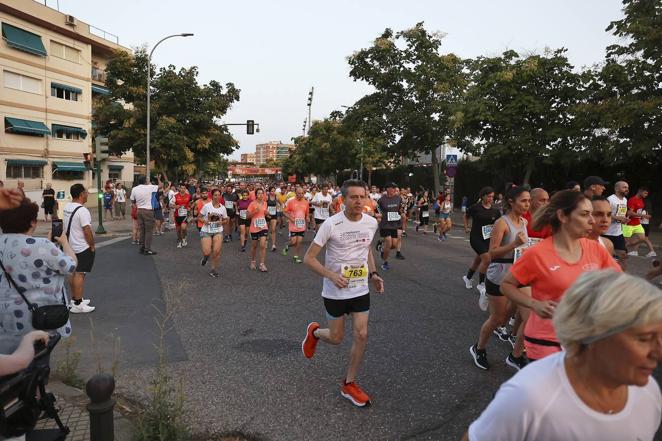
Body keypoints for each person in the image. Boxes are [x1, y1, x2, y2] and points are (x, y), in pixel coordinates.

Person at [463, 270, 662, 441]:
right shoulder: (530, 398)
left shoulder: (649, 393)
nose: (659, 352)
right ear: (593, 334)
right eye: (644, 339)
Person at [499, 190, 621, 363]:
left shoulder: (595, 249)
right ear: (563, 216)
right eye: (585, 214)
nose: (592, 220)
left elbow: (620, 283)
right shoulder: (537, 254)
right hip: (546, 339)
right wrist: (534, 304)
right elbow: (506, 285)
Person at [301, 180, 384, 407]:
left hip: (359, 288)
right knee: (336, 338)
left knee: (361, 334)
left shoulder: (370, 223)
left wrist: (374, 274)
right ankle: (315, 333)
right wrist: (330, 275)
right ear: (343, 200)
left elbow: (366, 248)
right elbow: (309, 258)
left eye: (362, 197)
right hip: (335, 291)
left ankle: (349, 383)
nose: (358, 201)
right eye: (353, 197)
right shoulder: (331, 224)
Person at [0, 198, 77, 353]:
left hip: (6, 317)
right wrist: (64, 242)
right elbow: (70, 266)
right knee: (36, 362)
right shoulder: (42, 246)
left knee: (10, 362)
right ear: (33, 222)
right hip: (38, 318)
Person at [470, 187, 529, 371]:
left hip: (520, 275)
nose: (527, 205)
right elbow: (492, 252)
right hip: (500, 275)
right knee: (497, 319)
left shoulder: (524, 222)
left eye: (528, 201)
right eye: (523, 201)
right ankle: (478, 348)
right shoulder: (501, 223)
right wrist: (514, 244)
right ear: (511, 201)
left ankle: (516, 355)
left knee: (529, 316)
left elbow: (523, 249)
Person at [63, 184, 96, 313]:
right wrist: (92, 245)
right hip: (81, 247)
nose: (88, 194)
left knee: (73, 272)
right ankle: (78, 303)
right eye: (86, 192)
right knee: (80, 273)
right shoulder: (82, 211)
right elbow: (87, 230)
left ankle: (75, 299)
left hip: (69, 246)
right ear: (82, 194)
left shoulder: (67, 207)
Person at [462, 187, 500, 296]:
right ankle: (481, 283)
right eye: (489, 196)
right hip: (476, 238)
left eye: (492, 196)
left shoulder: (495, 210)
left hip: (488, 239)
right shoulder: (476, 207)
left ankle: (468, 278)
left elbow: (499, 223)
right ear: (483, 196)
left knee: (478, 260)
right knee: (487, 259)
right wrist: (466, 226)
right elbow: (466, 215)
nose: (491, 198)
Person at [198, 189, 228, 278]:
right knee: (207, 252)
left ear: (221, 196)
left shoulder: (223, 208)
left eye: (219, 195)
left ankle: (213, 270)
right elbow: (199, 217)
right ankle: (205, 258)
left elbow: (226, 219)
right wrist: (204, 221)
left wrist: (221, 222)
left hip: (218, 231)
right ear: (212, 196)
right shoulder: (206, 206)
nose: (217, 197)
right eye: (215, 195)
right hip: (206, 231)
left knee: (216, 251)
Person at [130, 175, 162, 255]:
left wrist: (136, 204)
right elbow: (161, 186)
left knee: (142, 230)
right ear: (145, 181)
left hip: (139, 210)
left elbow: (132, 200)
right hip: (148, 211)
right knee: (149, 231)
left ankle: (142, 247)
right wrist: (158, 179)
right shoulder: (150, 187)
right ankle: (147, 249)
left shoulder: (134, 189)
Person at [377, 183, 404, 270]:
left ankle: (382, 248)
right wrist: (378, 216)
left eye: (394, 188)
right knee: (388, 241)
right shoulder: (381, 200)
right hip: (385, 224)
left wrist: (402, 213)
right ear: (387, 189)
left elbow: (400, 209)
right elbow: (377, 210)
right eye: (391, 188)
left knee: (393, 245)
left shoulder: (398, 198)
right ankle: (385, 262)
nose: (393, 189)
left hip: (395, 224)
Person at [624, 187, 656, 257]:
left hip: (637, 223)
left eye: (647, 193)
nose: (646, 195)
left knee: (643, 238)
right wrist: (643, 215)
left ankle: (630, 248)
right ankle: (618, 250)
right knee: (626, 243)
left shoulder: (641, 200)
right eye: (645, 193)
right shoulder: (632, 200)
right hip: (629, 224)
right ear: (640, 191)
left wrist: (641, 216)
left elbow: (637, 212)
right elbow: (629, 213)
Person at [605, 181, 630, 270]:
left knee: (623, 257)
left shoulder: (625, 200)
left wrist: (623, 219)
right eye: (624, 187)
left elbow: (621, 214)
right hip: (607, 233)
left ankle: (622, 280)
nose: (627, 189)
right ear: (616, 189)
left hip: (618, 233)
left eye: (627, 187)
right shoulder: (610, 199)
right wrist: (618, 218)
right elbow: (605, 214)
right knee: (604, 259)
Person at [282, 187, 309, 263]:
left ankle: (296, 257)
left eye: (302, 193)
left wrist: (307, 218)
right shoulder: (291, 202)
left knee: (299, 242)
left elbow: (307, 213)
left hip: (301, 225)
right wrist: (290, 218)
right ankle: (287, 245)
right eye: (299, 193)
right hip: (293, 225)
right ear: (296, 193)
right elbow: (284, 212)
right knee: (294, 242)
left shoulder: (306, 202)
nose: (300, 195)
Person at [247, 188, 269, 272]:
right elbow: (247, 216)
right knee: (254, 246)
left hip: (263, 226)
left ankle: (262, 264)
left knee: (263, 245)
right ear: (256, 195)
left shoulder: (265, 203)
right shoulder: (252, 204)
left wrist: (267, 213)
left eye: (261, 193)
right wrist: (254, 212)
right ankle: (253, 261)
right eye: (258, 193)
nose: (260, 195)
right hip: (254, 227)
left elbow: (265, 213)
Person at [173, 183, 192, 248]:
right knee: (178, 230)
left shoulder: (188, 196)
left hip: (185, 215)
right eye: (181, 188)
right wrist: (175, 206)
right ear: (179, 188)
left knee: (183, 227)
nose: (183, 189)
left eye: (184, 188)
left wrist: (190, 207)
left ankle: (183, 238)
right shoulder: (175, 196)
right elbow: (170, 205)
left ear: (185, 189)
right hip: (177, 215)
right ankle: (180, 240)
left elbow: (191, 204)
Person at [266, 187, 279, 252]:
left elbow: (280, 203)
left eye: (274, 191)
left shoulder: (276, 197)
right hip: (267, 215)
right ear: (269, 192)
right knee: (267, 229)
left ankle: (273, 245)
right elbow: (264, 205)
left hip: (274, 214)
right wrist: (266, 212)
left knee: (273, 229)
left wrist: (279, 207)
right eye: (271, 191)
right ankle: (266, 239)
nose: (273, 192)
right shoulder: (266, 197)